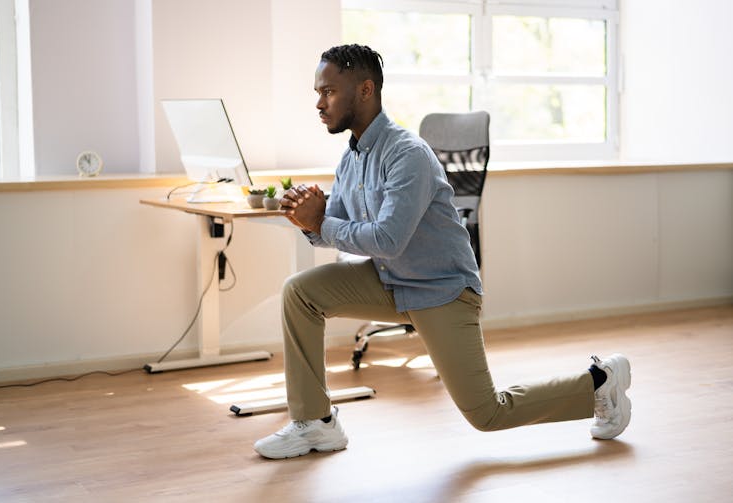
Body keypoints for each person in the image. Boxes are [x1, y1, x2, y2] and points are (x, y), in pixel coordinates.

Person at [253, 44, 632, 460]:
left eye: (328, 92)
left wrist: (321, 223)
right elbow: (338, 229)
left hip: (442, 290)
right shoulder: (352, 158)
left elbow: (386, 239)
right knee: (301, 293)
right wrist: (312, 219)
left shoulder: (407, 154)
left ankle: (600, 381)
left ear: (364, 90)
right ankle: (316, 424)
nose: (319, 104)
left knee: (487, 413)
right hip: (390, 281)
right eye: (317, 93)